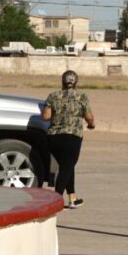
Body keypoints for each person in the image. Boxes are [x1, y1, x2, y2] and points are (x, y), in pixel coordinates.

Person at [42, 70, 94, 209]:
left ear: (62, 82)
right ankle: (55, 202)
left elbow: (45, 116)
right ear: (76, 82)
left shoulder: (53, 96)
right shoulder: (82, 97)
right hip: (72, 138)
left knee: (67, 166)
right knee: (66, 168)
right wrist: (91, 125)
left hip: (53, 138)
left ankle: (73, 198)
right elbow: (89, 117)